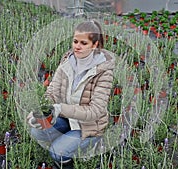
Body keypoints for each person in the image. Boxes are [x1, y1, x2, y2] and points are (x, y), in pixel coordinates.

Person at [27, 20, 116, 168]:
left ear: (94, 45)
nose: (77, 46)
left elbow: (95, 111)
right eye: (75, 41)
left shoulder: (103, 72)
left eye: (83, 43)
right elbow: (52, 92)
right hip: (68, 119)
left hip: (89, 126)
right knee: (37, 131)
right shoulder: (67, 62)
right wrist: (40, 112)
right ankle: (69, 141)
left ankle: (93, 144)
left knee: (57, 151)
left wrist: (61, 109)